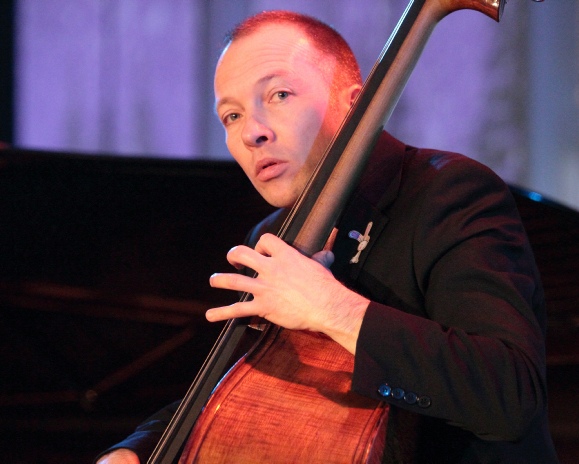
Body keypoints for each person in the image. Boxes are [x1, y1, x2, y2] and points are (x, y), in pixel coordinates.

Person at [96, 10, 559, 463]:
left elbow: (510, 394)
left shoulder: (448, 192)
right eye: (231, 115)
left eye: (278, 94)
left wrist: (333, 309)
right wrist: (136, 450)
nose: (252, 132)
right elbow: (225, 390)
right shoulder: (272, 235)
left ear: (354, 105)